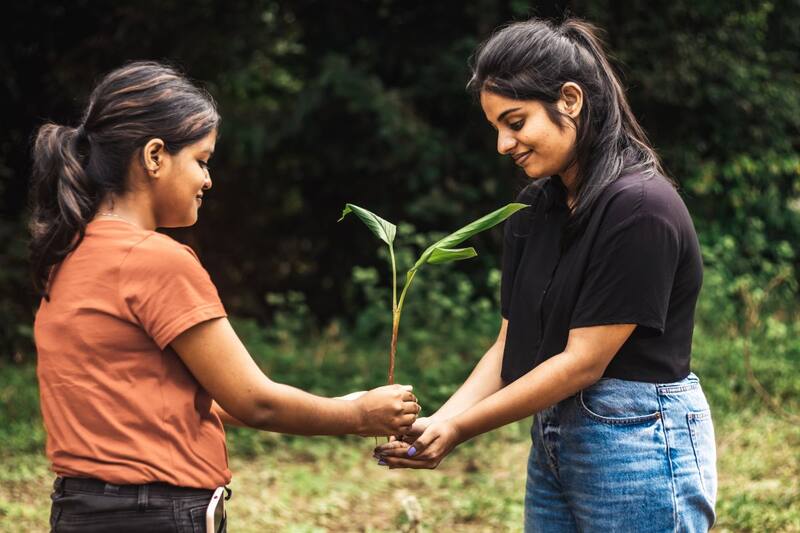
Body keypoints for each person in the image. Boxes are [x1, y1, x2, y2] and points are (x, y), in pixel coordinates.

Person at [30, 61, 419, 533]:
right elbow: (257, 401)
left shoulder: (67, 254)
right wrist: (357, 414)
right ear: (154, 156)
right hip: (156, 515)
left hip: (78, 511)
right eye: (201, 160)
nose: (208, 180)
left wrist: (346, 404)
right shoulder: (156, 260)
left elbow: (166, 400)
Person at [376, 18, 717, 533]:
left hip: (638, 440)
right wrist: (439, 421)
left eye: (515, 122)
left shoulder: (640, 208)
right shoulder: (535, 209)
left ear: (571, 100)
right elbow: (510, 345)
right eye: (496, 127)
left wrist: (460, 429)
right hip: (557, 436)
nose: (503, 144)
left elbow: (583, 362)